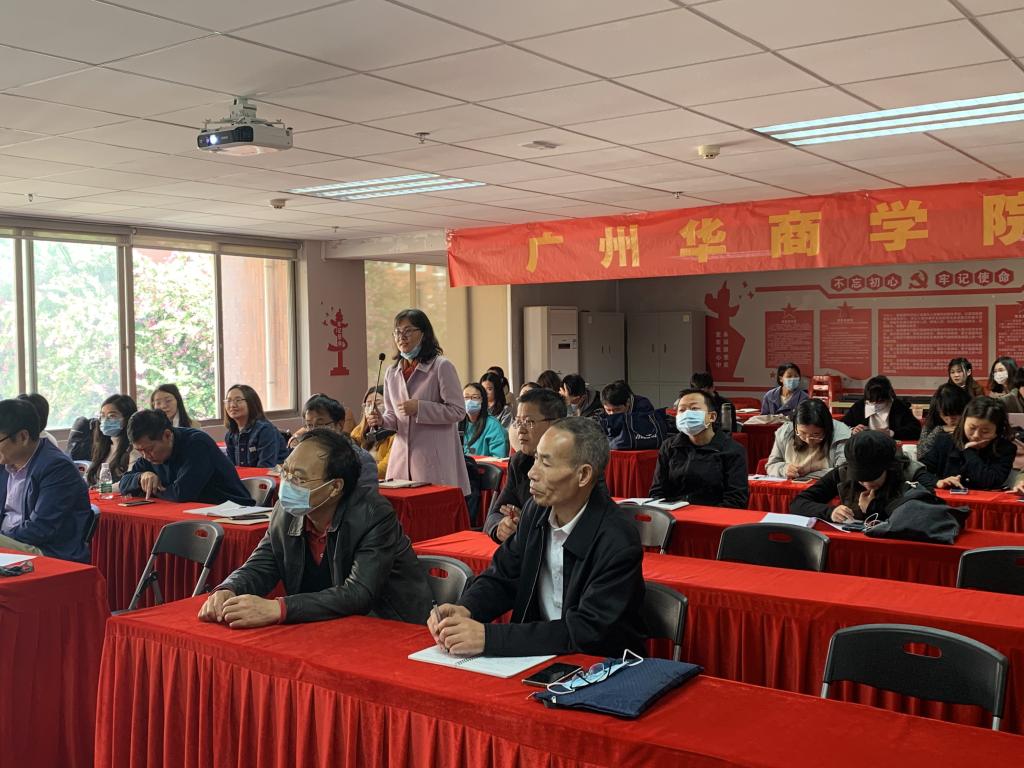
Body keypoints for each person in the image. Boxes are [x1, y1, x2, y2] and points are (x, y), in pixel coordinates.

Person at [428, 418, 646, 657]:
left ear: (583, 475)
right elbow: (503, 576)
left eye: (546, 464)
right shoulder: (536, 511)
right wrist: (466, 608)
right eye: (535, 459)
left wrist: (489, 638)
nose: (532, 473)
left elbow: (586, 631)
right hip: (537, 653)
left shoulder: (618, 538)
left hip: (598, 664)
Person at [198, 429, 433, 628]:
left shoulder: (374, 514)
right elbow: (263, 564)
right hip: (325, 624)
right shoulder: (285, 512)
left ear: (335, 487)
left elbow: (358, 593)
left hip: (388, 625)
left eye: (299, 479)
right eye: (285, 472)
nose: (287, 484)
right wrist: (229, 588)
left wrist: (279, 608)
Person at [365, 309, 470, 495]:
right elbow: (393, 416)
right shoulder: (392, 372)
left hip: (434, 460)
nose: (401, 337)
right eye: (397, 332)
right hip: (401, 460)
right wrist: (381, 420)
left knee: (432, 508)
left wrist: (420, 408)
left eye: (408, 331)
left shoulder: (441, 366)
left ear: (423, 334)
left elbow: (458, 411)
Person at [0, 399, 91, 562]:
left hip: (46, 551)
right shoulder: (5, 463)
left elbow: (40, 529)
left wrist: (3, 536)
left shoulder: (57, 467)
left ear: (23, 437)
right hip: (12, 543)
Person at [790, 430, 936, 522]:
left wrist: (874, 508)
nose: (866, 485)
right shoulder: (843, 472)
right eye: (860, 479)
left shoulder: (911, 472)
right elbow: (798, 503)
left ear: (888, 467)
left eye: (873, 478)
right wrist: (830, 512)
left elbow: (929, 511)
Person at [483, 388, 567, 543]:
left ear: (556, 424)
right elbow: (494, 514)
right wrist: (502, 526)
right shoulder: (520, 461)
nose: (520, 430)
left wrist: (526, 522)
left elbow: (569, 524)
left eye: (529, 422)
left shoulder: (573, 465)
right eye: (518, 422)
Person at [120, 410, 254, 506]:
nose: (145, 456)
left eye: (149, 449)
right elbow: (123, 484)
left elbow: (181, 494)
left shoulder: (197, 444)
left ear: (167, 435)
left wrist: (153, 488)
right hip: (196, 513)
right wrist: (141, 478)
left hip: (233, 510)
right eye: (140, 451)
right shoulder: (149, 453)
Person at [649, 389, 748, 508]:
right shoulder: (669, 446)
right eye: (682, 410)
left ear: (712, 416)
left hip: (714, 514)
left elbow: (736, 499)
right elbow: (657, 492)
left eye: (694, 408)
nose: (687, 414)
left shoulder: (732, 450)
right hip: (673, 513)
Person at [918, 396, 1015, 491]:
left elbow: (990, 481)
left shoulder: (1005, 449)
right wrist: (937, 482)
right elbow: (918, 471)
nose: (976, 435)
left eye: (985, 431)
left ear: (997, 431)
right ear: (963, 422)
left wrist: (969, 451)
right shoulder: (945, 441)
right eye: (972, 428)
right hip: (945, 500)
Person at [289, 394, 378, 489]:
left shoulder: (361, 459)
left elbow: (365, 495)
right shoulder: (306, 455)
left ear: (339, 425)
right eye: (309, 425)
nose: (314, 431)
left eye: (320, 424)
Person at [766, 398, 852, 480]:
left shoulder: (841, 435)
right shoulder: (785, 432)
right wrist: (784, 469)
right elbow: (771, 465)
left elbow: (844, 471)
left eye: (816, 434)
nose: (808, 440)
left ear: (827, 428)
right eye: (802, 433)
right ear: (795, 426)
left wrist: (810, 473)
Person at [224, 384, 288, 469]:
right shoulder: (230, 435)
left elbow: (265, 468)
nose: (232, 405)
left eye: (238, 400)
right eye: (228, 401)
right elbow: (230, 468)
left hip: (271, 477)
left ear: (251, 403)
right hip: (247, 477)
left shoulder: (265, 430)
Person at [841, 375, 921, 441]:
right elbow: (840, 427)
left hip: (890, 447)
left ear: (888, 398)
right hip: (864, 446)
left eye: (880, 402)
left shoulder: (898, 407)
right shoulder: (859, 406)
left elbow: (916, 430)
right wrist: (852, 430)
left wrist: (891, 433)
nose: (875, 405)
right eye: (871, 402)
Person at [85, 394, 138, 486]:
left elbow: (129, 481)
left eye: (111, 416)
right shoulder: (104, 446)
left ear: (127, 419)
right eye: (102, 416)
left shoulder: (135, 448)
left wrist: (100, 490)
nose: (105, 420)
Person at [349, 386, 394, 480]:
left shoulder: (396, 434)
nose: (372, 409)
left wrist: (359, 476)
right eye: (368, 404)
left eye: (378, 403)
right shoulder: (358, 431)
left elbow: (386, 467)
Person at [918, 383, 971, 450]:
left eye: (954, 416)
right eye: (945, 416)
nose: (950, 420)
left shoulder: (972, 420)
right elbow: (921, 451)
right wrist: (939, 430)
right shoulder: (933, 420)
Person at [461, 382, 508, 458]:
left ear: (482, 400)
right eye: (466, 397)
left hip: (485, 465)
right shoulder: (457, 423)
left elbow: (498, 458)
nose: (470, 401)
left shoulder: (493, 426)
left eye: (475, 397)